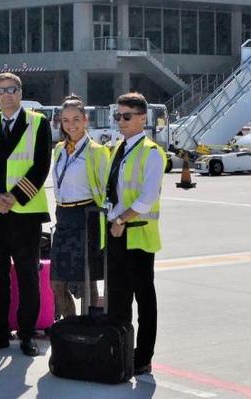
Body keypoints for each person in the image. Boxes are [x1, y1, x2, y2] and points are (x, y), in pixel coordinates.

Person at [0, 72, 51, 357]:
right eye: (1, 90)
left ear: (20, 92)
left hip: (25, 211)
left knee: (28, 273)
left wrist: (14, 198)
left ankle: (27, 333)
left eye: (11, 89)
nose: (6, 95)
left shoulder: (38, 122)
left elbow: (41, 166)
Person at [105, 92, 166, 376]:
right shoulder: (118, 148)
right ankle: (120, 349)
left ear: (143, 118)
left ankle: (143, 356)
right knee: (117, 298)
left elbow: (148, 196)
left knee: (144, 299)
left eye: (126, 116)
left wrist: (122, 219)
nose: (121, 121)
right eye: (117, 116)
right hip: (116, 234)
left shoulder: (151, 151)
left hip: (138, 235)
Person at [50, 95, 109, 319]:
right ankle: (71, 327)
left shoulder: (96, 151)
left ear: (85, 120)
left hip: (86, 216)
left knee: (87, 282)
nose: (71, 125)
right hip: (63, 217)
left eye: (76, 119)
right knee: (57, 282)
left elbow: (105, 189)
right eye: (66, 120)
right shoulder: (59, 149)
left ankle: (89, 330)